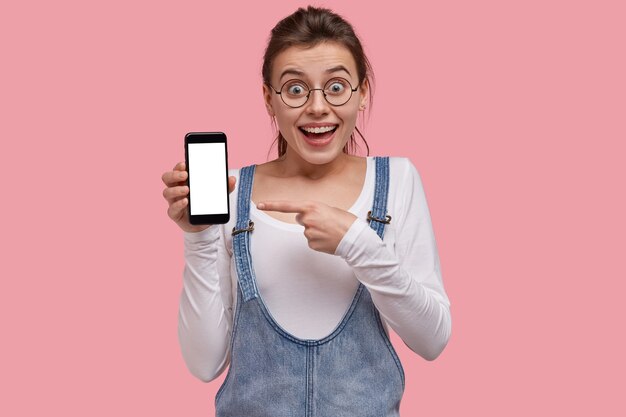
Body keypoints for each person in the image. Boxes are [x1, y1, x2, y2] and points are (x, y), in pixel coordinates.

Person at [161, 6, 451, 416]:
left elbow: (433, 339)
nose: (317, 107)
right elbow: (203, 364)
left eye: (336, 87)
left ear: (362, 92)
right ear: (269, 98)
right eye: (295, 89)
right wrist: (199, 237)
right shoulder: (230, 191)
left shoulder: (398, 180)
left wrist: (357, 243)